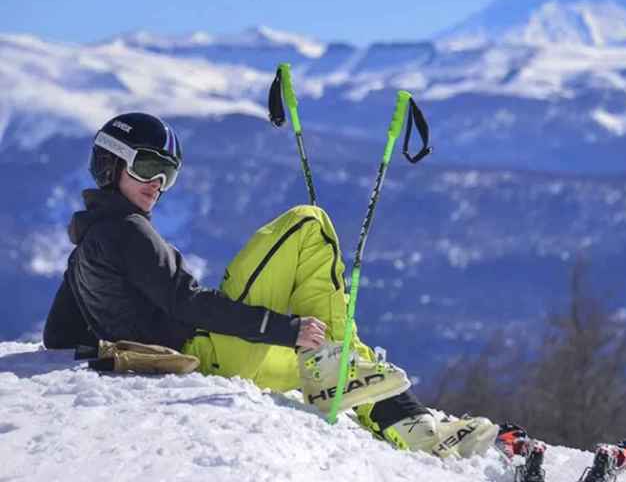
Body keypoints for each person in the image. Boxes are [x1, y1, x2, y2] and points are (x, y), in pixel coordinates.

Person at [43, 112, 498, 459]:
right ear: (111, 164)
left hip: (210, 360)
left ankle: (409, 422)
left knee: (330, 345)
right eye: (146, 167)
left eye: (169, 174)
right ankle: (376, 397)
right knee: (308, 224)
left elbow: (58, 336)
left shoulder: (85, 247)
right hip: (216, 351)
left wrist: (124, 346)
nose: (158, 184)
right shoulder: (128, 230)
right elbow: (186, 302)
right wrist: (285, 329)